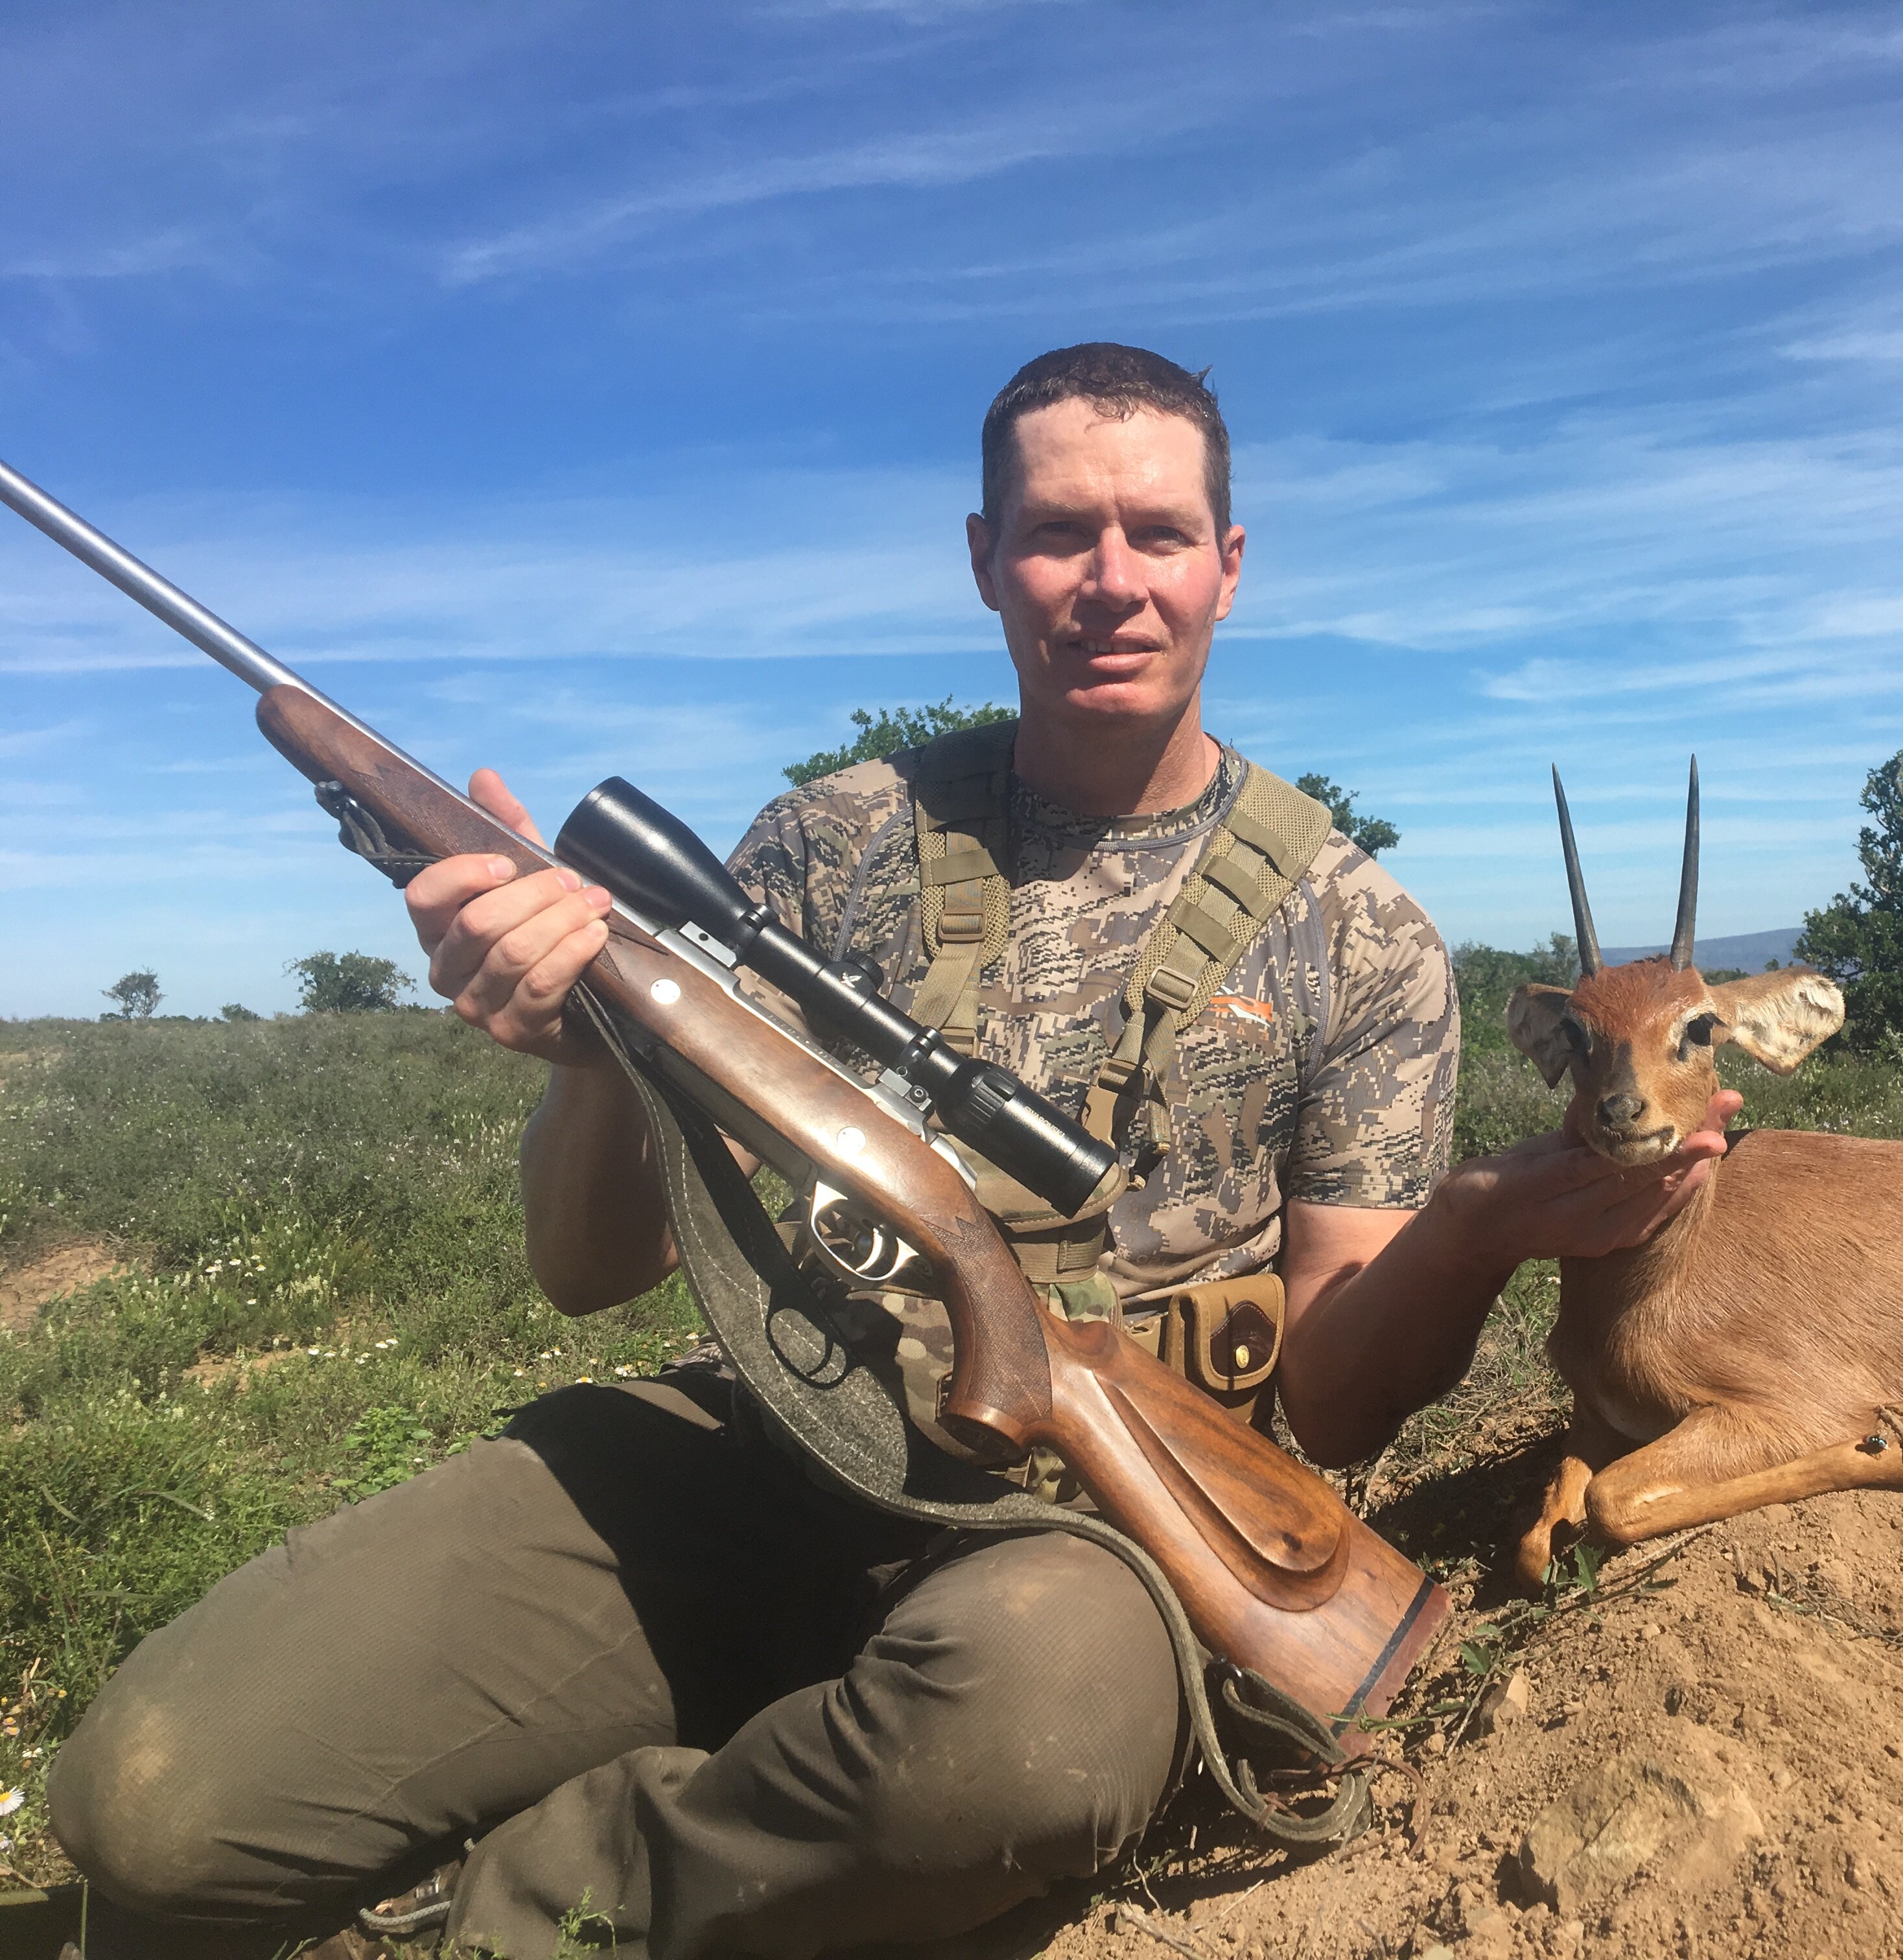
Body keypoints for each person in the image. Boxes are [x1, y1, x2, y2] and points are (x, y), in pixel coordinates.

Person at [49, 344, 1742, 1960]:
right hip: (758, 1436)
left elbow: (1351, 1403)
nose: (1111, 578)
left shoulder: (1359, 932)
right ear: (985, 560)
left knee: (1032, 1741)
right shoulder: (827, 843)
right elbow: (586, 1274)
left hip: (1094, 1529)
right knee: (152, 1816)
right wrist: (590, 1054)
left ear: (1228, 565)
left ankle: (542, 1895)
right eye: (1059, 532)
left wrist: (1473, 1227)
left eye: (1156, 534)